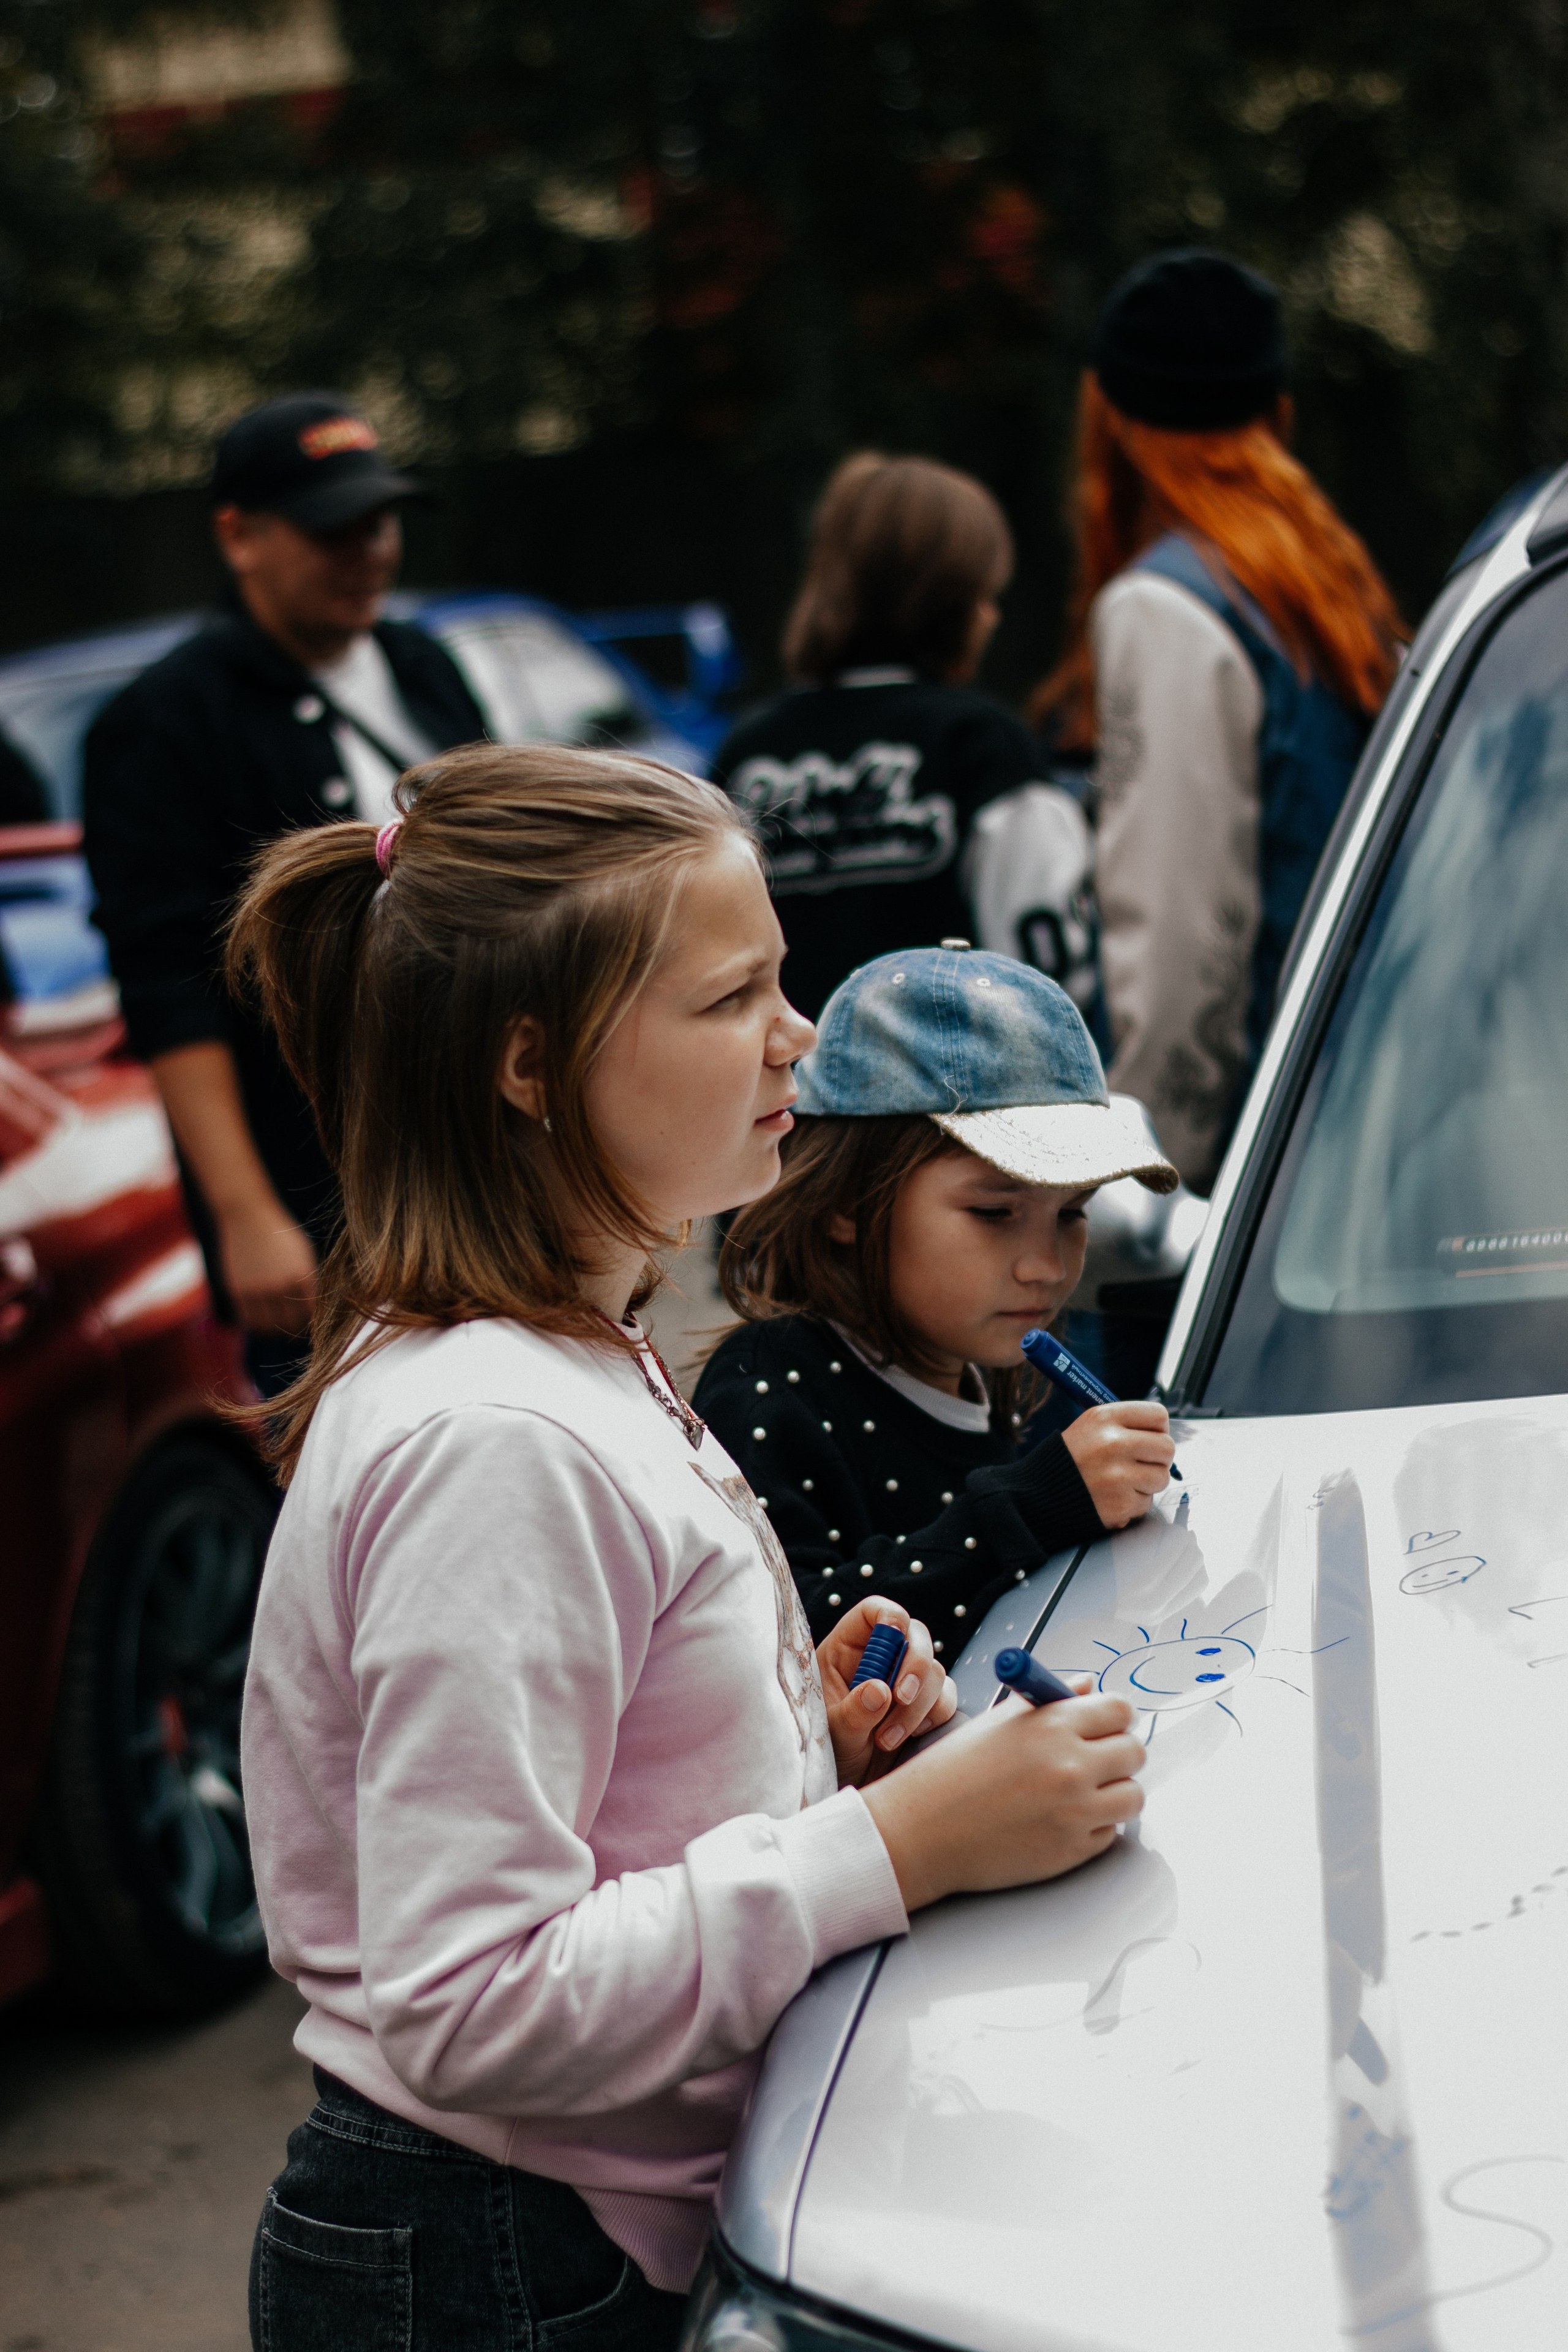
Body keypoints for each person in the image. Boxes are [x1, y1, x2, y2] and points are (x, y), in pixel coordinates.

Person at [232, 745, 1147, 2349]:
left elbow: (590, 1790)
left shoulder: (564, 1357)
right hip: (491, 2259)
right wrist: (897, 1845)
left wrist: (810, 1744)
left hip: (542, 2226)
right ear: (532, 1065)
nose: (799, 1037)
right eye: (735, 1000)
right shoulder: (491, 1438)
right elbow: (470, 1997)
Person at [83, 391, 489, 1395]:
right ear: (240, 536)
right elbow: (168, 985)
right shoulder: (164, 723)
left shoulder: (425, 669)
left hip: (483, 1156)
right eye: (332, 529)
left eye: (380, 522)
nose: (370, 552)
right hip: (315, 1189)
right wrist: (245, 1214)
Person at [1031, 249, 1404, 1191]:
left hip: (1250, 1167)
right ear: (1275, 410)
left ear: (1109, 416)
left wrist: (1148, 1191)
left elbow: (1178, 958)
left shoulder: (1167, 608)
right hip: (1364, 1114)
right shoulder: (1330, 597)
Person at [693, 941, 1178, 1661]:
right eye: (993, 1213)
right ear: (851, 1201)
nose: (1046, 1266)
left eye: (1073, 1213)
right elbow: (788, 1654)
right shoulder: (767, 1389)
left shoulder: (987, 1361)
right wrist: (1037, 1503)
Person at [710, 450, 1099, 1025]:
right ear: (949, 600)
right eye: (987, 596)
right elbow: (1052, 977)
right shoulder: (983, 748)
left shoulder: (745, 756)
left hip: (780, 1103)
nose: (992, 619)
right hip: (950, 1108)